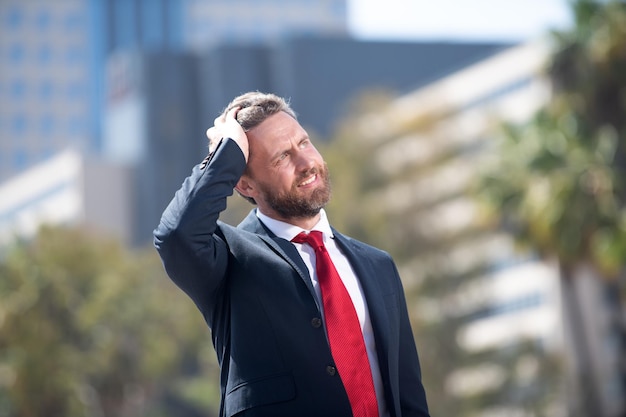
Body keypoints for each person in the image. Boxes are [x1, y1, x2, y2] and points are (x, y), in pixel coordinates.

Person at [154, 91, 430, 417]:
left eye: (304, 143)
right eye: (282, 157)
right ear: (245, 185)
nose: (306, 163)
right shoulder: (228, 259)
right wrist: (225, 153)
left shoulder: (378, 265)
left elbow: (408, 395)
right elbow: (176, 235)